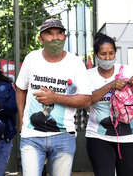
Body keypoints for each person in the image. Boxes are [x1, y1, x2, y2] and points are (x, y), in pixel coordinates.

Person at [16, 18, 92, 176]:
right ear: (40, 39)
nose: (55, 38)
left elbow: (86, 100)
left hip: (63, 136)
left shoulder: (76, 63)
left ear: (65, 37)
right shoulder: (32, 58)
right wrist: (22, 119)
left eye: (59, 33)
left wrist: (55, 97)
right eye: (49, 34)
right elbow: (21, 88)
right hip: (32, 136)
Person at [85, 33, 133, 176]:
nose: (107, 58)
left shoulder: (127, 71)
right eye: (103, 54)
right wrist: (110, 85)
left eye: (111, 53)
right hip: (98, 137)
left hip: (131, 137)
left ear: (115, 53)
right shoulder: (88, 75)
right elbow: (86, 100)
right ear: (96, 55)